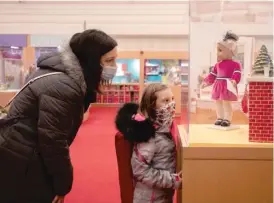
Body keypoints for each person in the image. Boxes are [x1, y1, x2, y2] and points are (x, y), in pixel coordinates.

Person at [0, 29, 118, 203]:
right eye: (109, 60)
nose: (114, 67)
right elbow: (53, 141)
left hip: (18, 155)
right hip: (23, 163)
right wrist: (63, 184)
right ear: (90, 60)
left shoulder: (55, 73)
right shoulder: (64, 86)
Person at [115, 83, 182, 203]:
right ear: (152, 106)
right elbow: (140, 170)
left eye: (172, 99)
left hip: (163, 193)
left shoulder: (165, 128)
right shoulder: (149, 135)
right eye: (165, 101)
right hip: (150, 198)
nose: (171, 104)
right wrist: (172, 180)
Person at [201, 31, 241, 127]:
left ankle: (227, 118)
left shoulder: (236, 64)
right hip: (218, 85)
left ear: (230, 51)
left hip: (228, 85)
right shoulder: (217, 65)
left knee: (226, 103)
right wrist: (206, 82)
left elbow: (237, 73)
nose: (217, 53)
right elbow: (212, 75)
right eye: (217, 50)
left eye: (220, 50)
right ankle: (220, 117)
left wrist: (235, 80)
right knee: (218, 103)